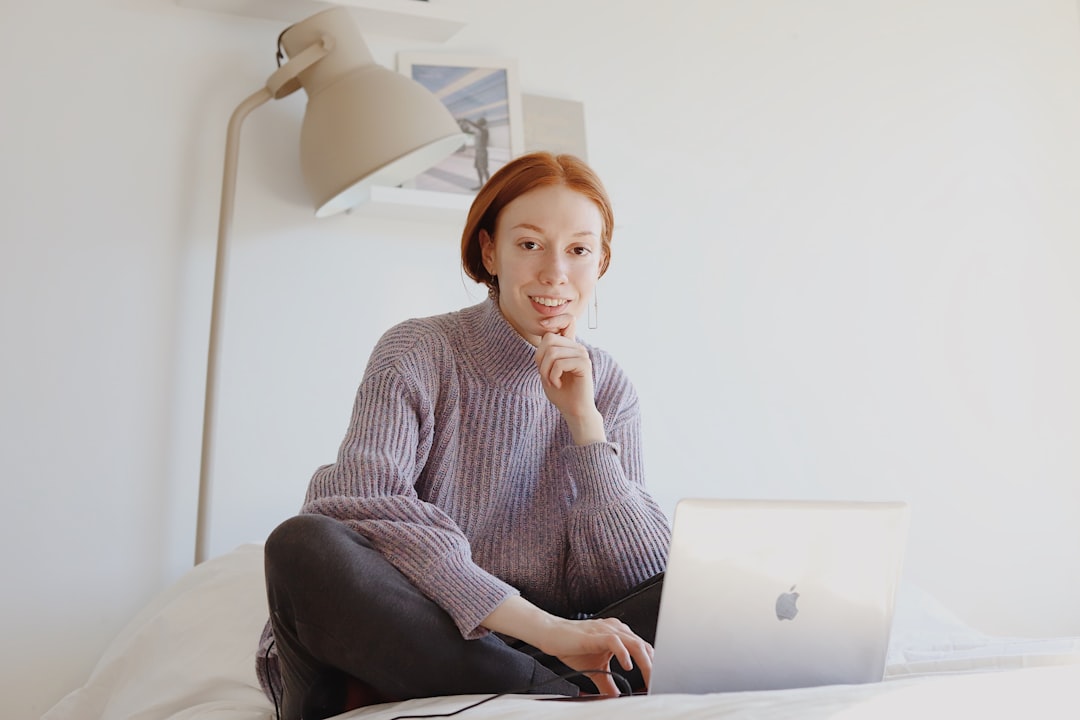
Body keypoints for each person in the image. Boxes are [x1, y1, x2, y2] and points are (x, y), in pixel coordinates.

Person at [256, 151, 671, 720]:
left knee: (691, 596)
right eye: (529, 244)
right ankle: (557, 695)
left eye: (579, 249)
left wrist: (585, 427)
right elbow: (358, 507)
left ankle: (532, 682)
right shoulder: (419, 351)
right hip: (424, 630)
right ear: (488, 250)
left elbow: (632, 576)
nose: (555, 272)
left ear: (600, 262)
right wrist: (546, 630)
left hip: (541, 646)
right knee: (303, 546)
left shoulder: (609, 386)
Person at [460, 116, 490, 188]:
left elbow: (476, 126)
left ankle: (490, 186)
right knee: (478, 168)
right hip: (478, 152)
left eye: (479, 121)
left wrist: (467, 120)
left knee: (483, 168)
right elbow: (468, 132)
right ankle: (481, 184)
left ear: (482, 123)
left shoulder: (484, 130)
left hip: (482, 152)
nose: (477, 122)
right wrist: (462, 127)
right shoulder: (479, 131)